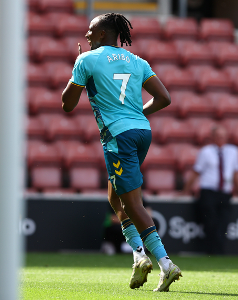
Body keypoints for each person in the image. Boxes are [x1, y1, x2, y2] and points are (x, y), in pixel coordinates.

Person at [62, 13, 182, 292]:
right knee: (115, 197)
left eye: (91, 30)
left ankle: (165, 264)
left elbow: (67, 105)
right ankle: (139, 257)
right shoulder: (138, 61)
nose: (87, 34)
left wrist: (76, 71)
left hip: (117, 136)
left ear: (103, 33)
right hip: (142, 132)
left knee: (131, 204)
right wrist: (138, 113)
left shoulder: (87, 60)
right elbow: (164, 98)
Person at [183, 125, 238, 254]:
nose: (221, 139)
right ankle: (211, 251)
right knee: (210, 222)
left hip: (225, 193)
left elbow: (235, 173)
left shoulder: (232, 151)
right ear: (212, 137)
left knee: (223, 223)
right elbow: (196, 172)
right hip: (209, 192)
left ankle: (219, 251)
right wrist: (186, 190)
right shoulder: (206, 151)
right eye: (218, 136)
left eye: (223, 136)